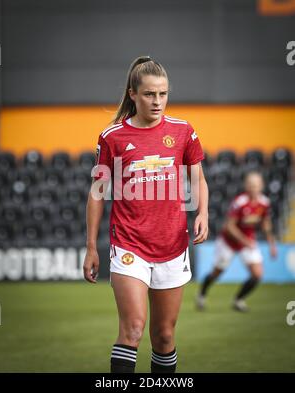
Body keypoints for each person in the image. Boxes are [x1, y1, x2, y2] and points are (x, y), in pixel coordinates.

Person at [83, 56, 209, 373]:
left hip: (172, 245)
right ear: (133, 94)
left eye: (162, 94)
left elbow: (199, 180)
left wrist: (202, 212)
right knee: (133, 329)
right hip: (129, 244)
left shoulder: (183, 131)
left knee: (164, 336)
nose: (157, 102)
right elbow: (97, 193)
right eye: (150, 94)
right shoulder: (111, 137)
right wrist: (89, 246)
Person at [197, 171, 277, 312]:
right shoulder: (240, 202)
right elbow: (229, 226)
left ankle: (238, 300)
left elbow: (266, 223)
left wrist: (272, 245)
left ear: (262, 186)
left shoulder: (264, 203)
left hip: (247, 242)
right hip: (228, 242)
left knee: (257, 274)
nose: (254, 188)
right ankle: (202, 294)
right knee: (217, 272)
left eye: (256, 185)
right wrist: (245, 240)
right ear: (246, 186)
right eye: (251, 185)